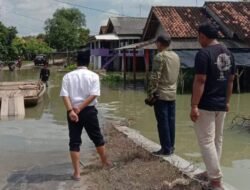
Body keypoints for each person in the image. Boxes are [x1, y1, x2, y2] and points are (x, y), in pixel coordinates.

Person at [190, 22, 235, 190]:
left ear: (203, 36)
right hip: (221, 103)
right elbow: (230, 80)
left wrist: (194, 105)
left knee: (206, 141)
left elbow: (200, 80)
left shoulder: (204, 54)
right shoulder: (229, 53)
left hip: (206, 104)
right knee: (217, 139)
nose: (198, 40)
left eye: (198, 37)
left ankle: (215, 181)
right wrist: (227, 101)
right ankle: (211, 172)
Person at [60, 48, 110, 181]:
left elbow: (64, 95)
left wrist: (71, 110)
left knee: (74, 141)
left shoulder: (67, 76)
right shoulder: (94, 76)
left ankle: (77, 173)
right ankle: (105, 163)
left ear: (77, 61)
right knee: (97, 138)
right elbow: (94, 95)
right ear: (88, 61)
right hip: (88, 111)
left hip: (72, 112)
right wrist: (80, 108)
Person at [145, 35, 180, 156]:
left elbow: (155, 77)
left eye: (156, 43)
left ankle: (165, 149)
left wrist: (150, 94)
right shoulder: (176, 56)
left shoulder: (160, 56)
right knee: (171, 121)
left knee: (162, 122)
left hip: (161, 94)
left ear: (159, 43)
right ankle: (171, 147)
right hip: (172, 93)